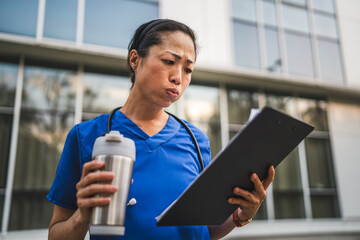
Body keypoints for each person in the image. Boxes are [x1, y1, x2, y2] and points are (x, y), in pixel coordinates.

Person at [47, 19, 275, 240]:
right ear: (135, 59)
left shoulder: (197, 140)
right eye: (169, 61)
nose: (178, 78)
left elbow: (203, 230)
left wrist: (241, 216)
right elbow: (56, 233)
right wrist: (83, 217)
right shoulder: (85, 137)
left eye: (188, 69)